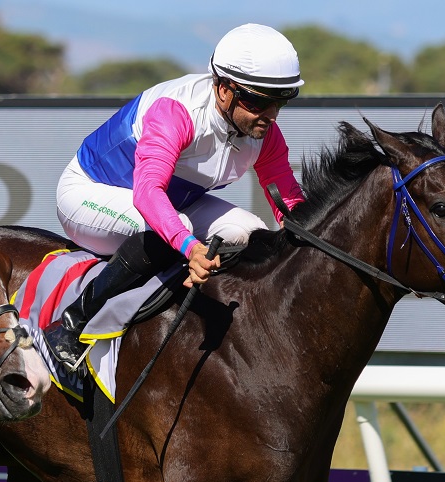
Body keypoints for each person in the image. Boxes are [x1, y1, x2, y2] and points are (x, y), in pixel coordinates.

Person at [44, 23, 306, 371]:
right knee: (174, 229)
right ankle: (72, 323)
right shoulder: (176, 111)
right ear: (223, 89)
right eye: (258, 101)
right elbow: (148, 193)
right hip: (88, 195)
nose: (271, 115)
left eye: (280, 101)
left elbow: (289, 203)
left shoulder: (264, 133)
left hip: (172, 201)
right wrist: (190, 247)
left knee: (249, 232)